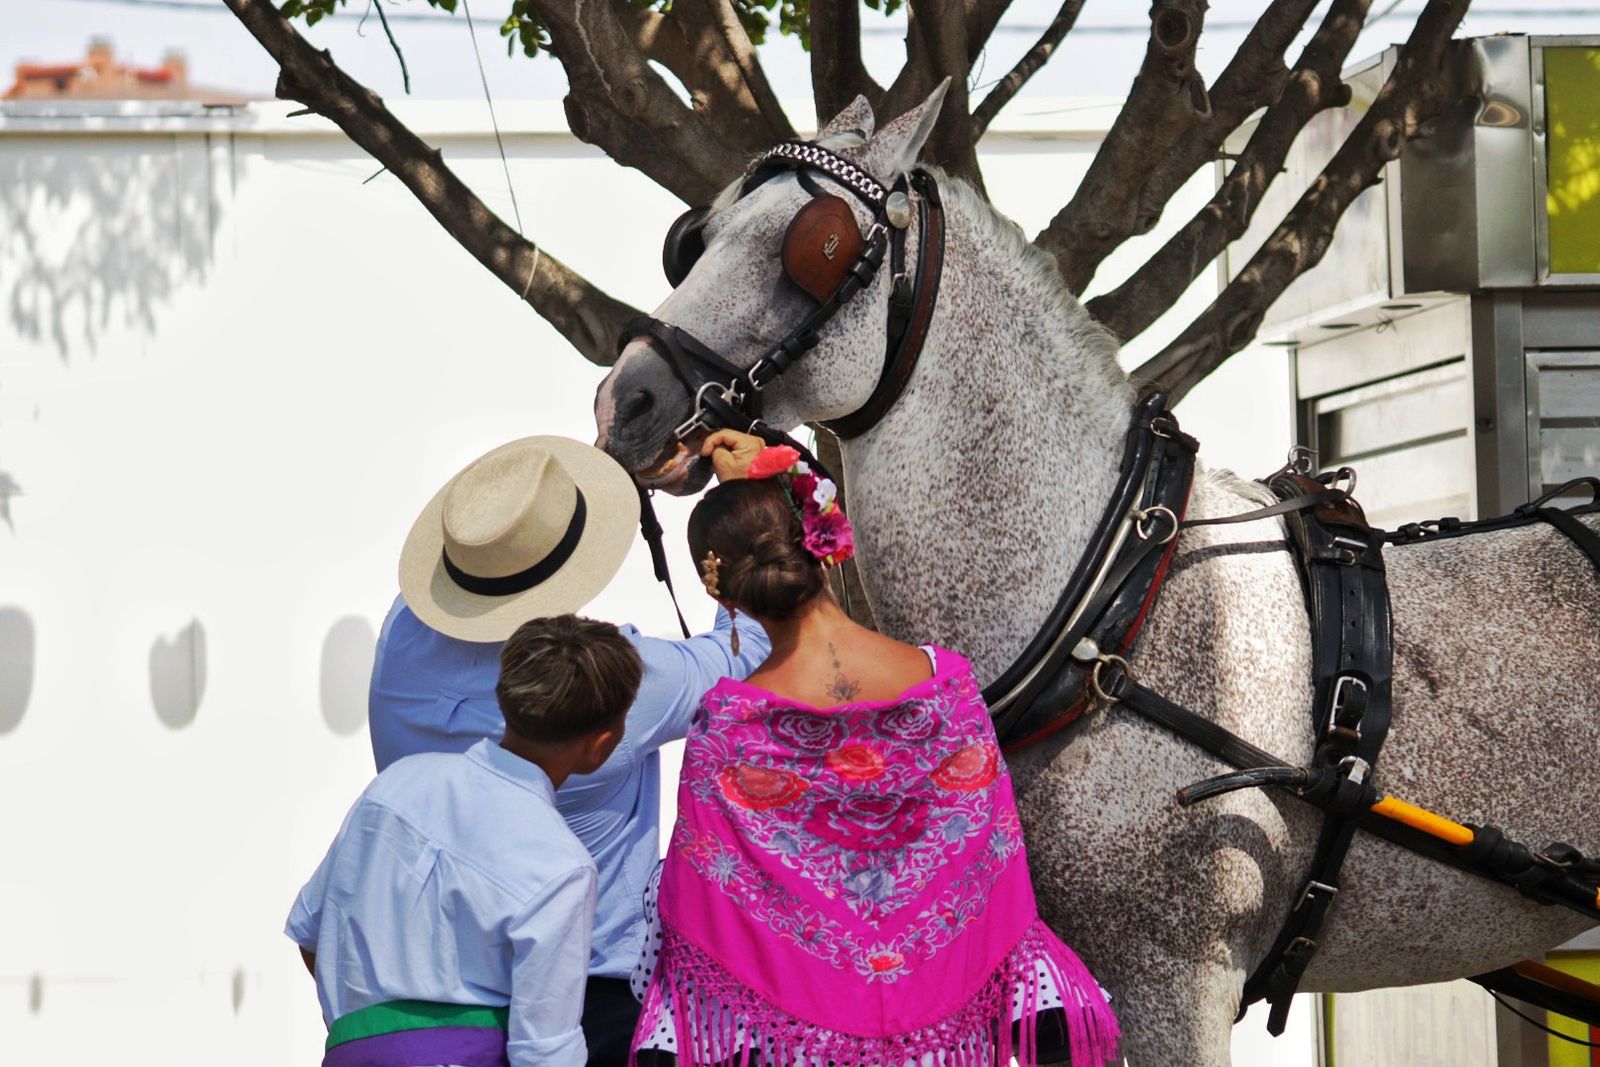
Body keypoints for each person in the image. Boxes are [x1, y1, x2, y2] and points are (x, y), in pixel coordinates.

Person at [631, 445, 1121, 1067]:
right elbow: (988, 853)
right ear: (824, 542)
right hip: (954, 1035)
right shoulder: (947, 684)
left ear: (725, 593)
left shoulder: (728, 725)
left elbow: (707, 893)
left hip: (799, 1043)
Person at [369, 433, 771, 1065]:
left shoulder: (402, 633)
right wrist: (748, 507)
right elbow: (747, 652)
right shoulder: (614, 685)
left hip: (431, 990)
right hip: (584, 996)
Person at [287, 613, 643, 1067]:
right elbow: (544, 1051)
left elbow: (310, 933)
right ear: (601, 744)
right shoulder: (560, 865)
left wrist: (375, 1036)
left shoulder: (395, 786)